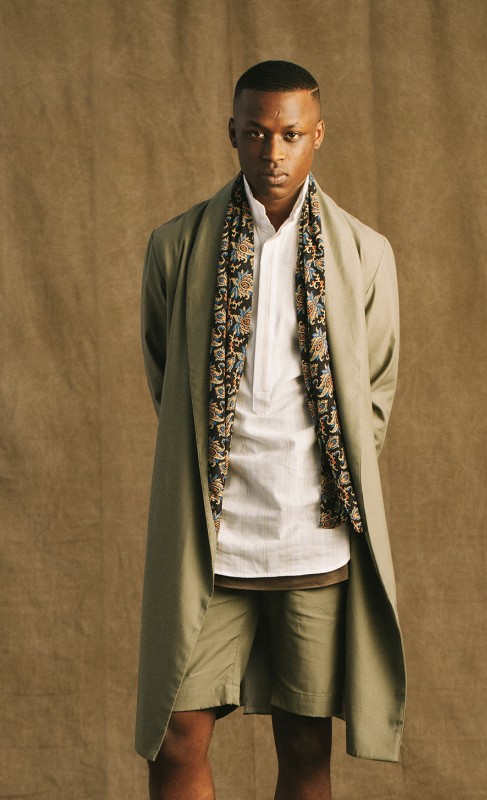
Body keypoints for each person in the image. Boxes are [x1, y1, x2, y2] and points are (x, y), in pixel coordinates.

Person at [137, 60, 405, 800]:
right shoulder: (175, 246)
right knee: (176, 737)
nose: (273, 152)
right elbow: (168, 379)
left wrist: (325, 486)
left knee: (305, 745)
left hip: (311, 541)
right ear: (233, 133)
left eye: (290, 134)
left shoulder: (366, 253)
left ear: (318, 136)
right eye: (256, 133)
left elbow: (374, 395)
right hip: (211, 541)